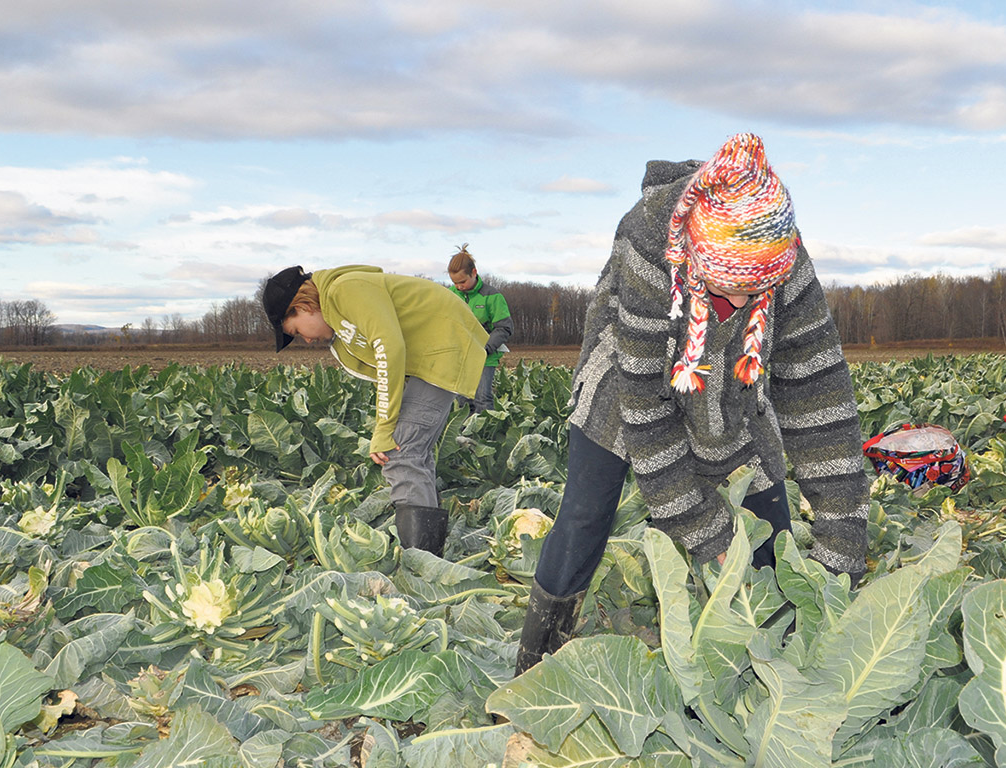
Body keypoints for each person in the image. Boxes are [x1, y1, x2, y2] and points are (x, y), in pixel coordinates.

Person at [516, 133, 870, 675]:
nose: (739, 304)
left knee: (768, 529)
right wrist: (705, 530)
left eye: (755, 293)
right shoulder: (649, 241)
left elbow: (819, 397)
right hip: (627, 383)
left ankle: (773, 673)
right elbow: (645, 408)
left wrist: (843, 535)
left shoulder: (785, 262)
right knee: (585, 514)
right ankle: (534, 666)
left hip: (731, 384)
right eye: (725, 288)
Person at [261, 265, 489, 557]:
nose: (305, 340)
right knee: (411, 451)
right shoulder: (339, 314)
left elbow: (389, 347)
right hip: (433, 353)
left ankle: (420, 561)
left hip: (442, 346)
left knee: (401, 451)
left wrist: (384, 428)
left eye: (295, 331)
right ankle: (429, 556)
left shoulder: (344, 290)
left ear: (303, 306)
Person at [447, 244, 513, 412]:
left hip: (485, 356)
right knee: (461, 399)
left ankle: (482, 436)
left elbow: (504, 327)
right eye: (455, 283)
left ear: (474, 273)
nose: (459, 286)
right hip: (460, 355)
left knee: (482, 397)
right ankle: (463, 435)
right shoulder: (451, 295)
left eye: (462, 281)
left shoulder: (492, 296)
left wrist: (486, 348)